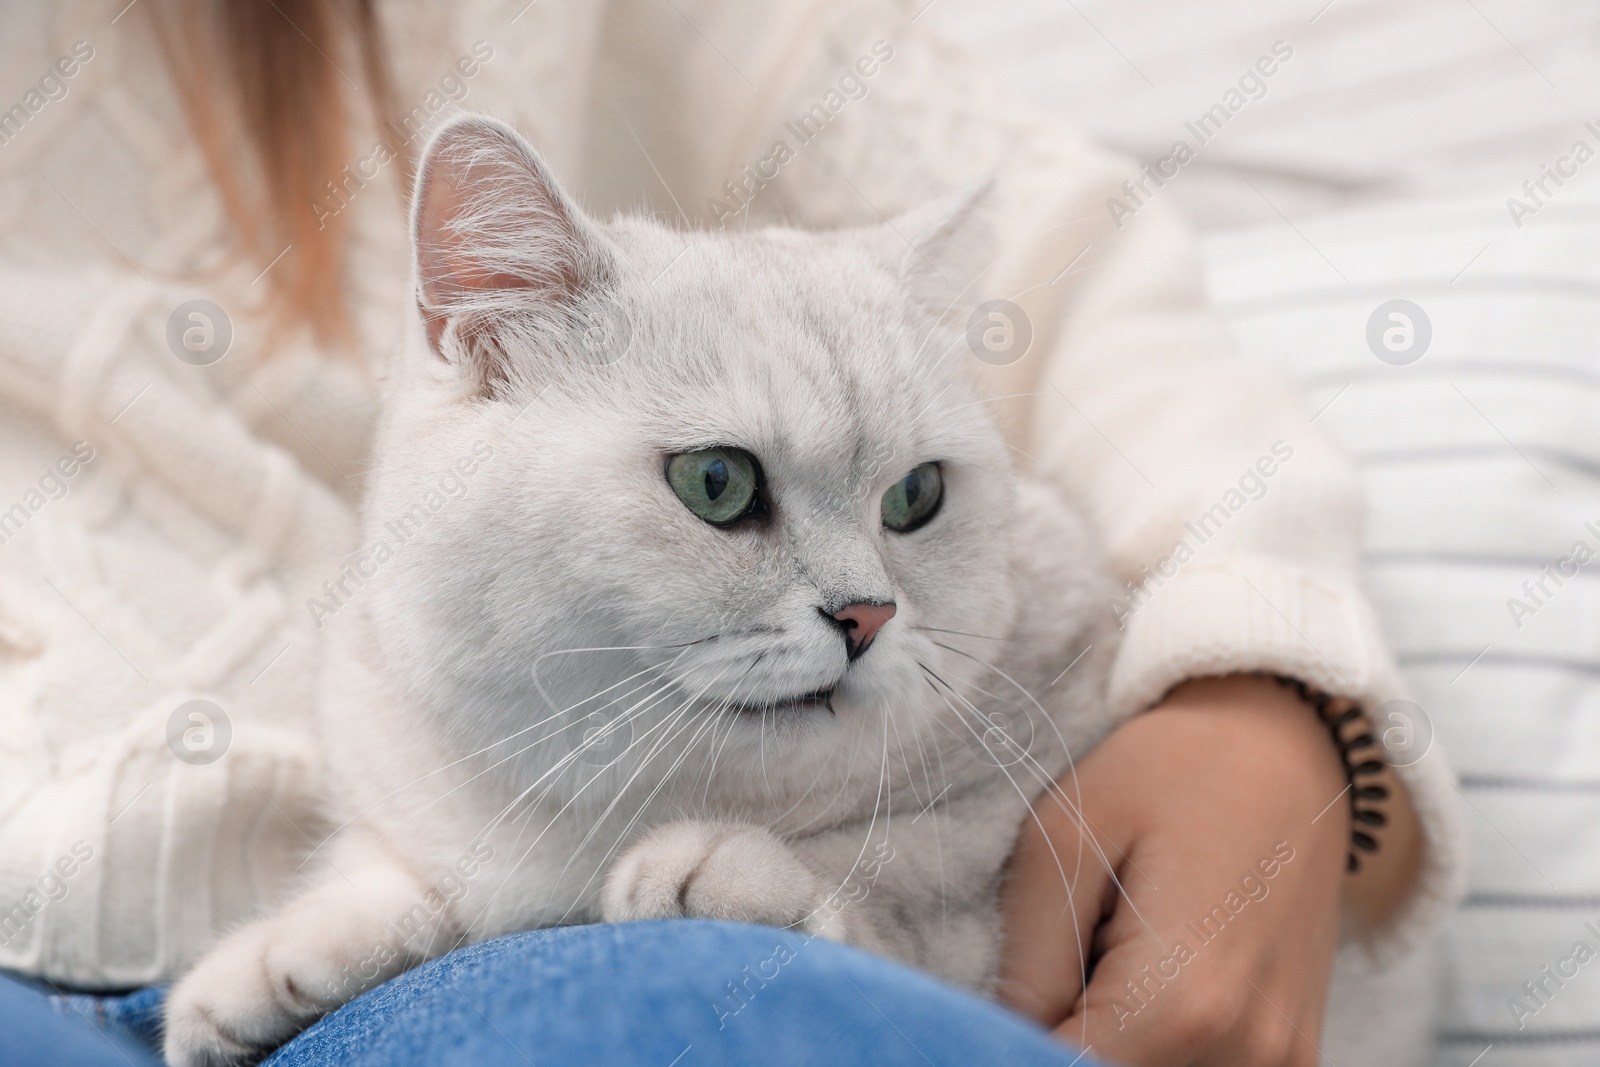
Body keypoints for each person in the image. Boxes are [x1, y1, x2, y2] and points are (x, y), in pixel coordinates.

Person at [0, 1, 1458, 1064]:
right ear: (484, 355)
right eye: (723, 491)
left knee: (753, 1027)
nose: (857, 598)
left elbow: (1076, 255)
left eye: (909, 509)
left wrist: (1262, 685)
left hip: (483, 978)